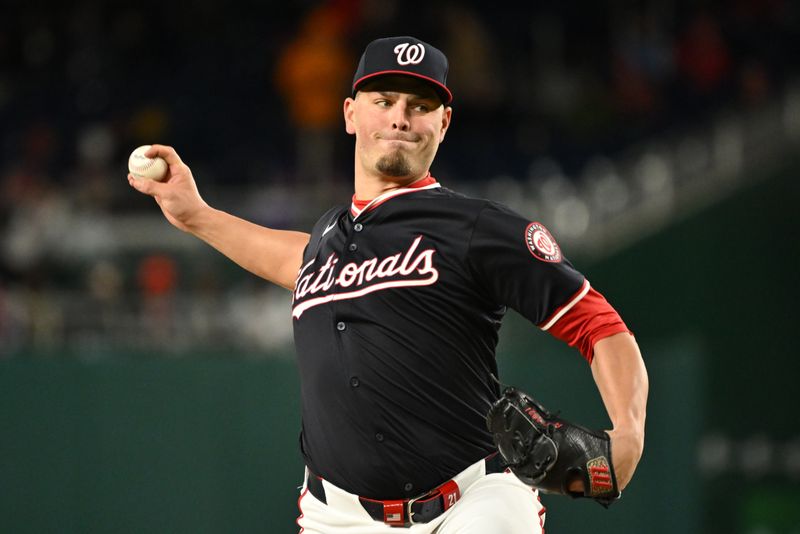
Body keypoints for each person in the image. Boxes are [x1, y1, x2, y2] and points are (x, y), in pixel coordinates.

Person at [128, 36, 648, 534]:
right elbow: (293, 257)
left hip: (471, 501)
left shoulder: (477, 228)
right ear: (351, 113)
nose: (400, 117)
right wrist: (196, 215)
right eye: (384, 100)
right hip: (339, 516)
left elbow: (598, 325)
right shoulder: (327, 241)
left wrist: (626, 436)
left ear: (444, 123)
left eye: (419, 106)